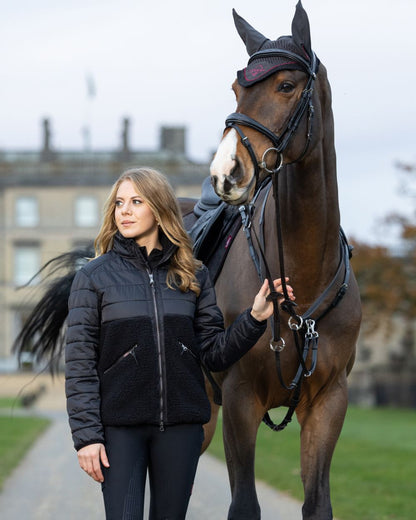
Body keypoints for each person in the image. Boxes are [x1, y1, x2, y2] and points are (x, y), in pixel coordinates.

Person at [65, 167, 295, 520]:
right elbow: (79, 363)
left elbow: (214, 354)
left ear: (158, 210)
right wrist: (87, 437)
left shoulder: (193, 276)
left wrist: (254, 318)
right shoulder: (93, 278)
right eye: (119, 203)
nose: (124, 211)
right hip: (119, 430)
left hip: (182, 430)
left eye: (136, 202)